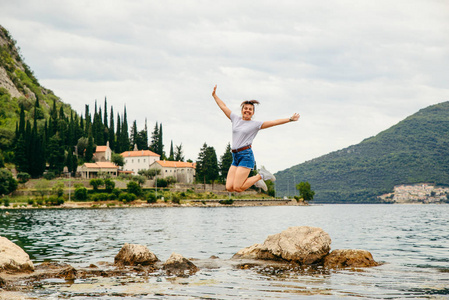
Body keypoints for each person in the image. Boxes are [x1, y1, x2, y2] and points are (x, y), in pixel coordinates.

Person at [212, 85, 300, 192]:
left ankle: (261, 175)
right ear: (242, 110)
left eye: (250, 109)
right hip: (235, 156)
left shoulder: (255, 124)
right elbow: (223, 106)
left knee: (238, 188)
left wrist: (290, 119)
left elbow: (274, 122)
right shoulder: (235, 119)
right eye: (245, 108)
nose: (247, 111)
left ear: (253, 112)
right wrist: (214, 96)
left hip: (246, 155)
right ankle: (257, 180)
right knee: (229, 187)